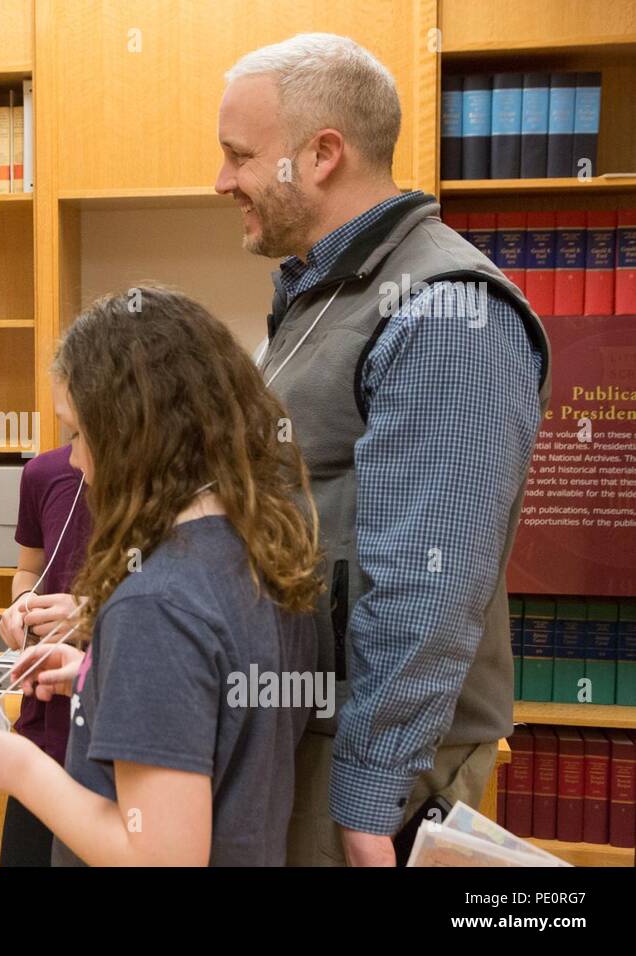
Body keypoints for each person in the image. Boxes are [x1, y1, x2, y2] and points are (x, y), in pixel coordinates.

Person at [215, 34, 550, 865]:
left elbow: (430, 581)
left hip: (368, 758)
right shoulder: (320, 292)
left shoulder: (445, 311)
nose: (220, 181)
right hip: (307, 720)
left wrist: (370, 800)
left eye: (239, 155)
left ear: (322, 154)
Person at [0, 287, 322, 866]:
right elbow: (220, 718)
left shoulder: (155, 604)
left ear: (132, 437)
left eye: (79, 433)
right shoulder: (267, 547)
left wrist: (17, 768)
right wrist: (101, 680)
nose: (72, 460)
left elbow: (161, 858)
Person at [0, 442, 90, 866]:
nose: (77, 456)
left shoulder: (162, 487)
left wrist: (94, 614)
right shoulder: (44, 473)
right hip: (42, 726)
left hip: (102, 735)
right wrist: (22, 605)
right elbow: (29, 570)